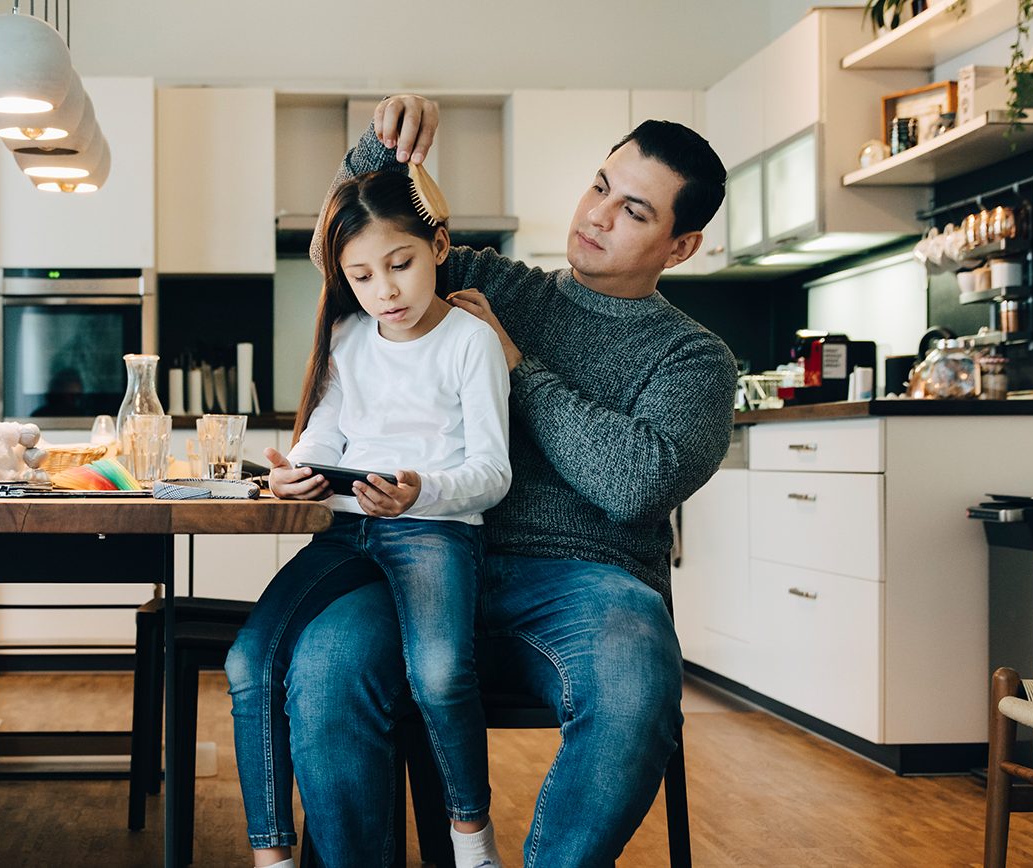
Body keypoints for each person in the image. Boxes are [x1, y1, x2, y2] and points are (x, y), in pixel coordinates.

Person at [272, 94, 739, 867]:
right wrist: (380, 142)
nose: (595, 215)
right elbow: (346, 246)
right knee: (324, 667)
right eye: (597, 186)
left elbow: (631, 485)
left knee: (633, 676)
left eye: (631, 210)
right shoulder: (494, 279)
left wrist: (516, 364)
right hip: (420, 551)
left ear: (680, 245)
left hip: (576, 583)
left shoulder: (693, 359)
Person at [225, 165, 513, 868]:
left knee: (439, 673)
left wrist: (420, 494)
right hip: (349, 525)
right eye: (360, 276)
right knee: (246, 661)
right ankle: (271, 854)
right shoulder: (351, 338)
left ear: (438, 248)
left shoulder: (468, 340)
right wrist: (300, 467)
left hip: (434, 530)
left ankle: (470, 833)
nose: (384, 291)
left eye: (399, 264)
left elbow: (493, 472)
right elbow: (328, 429)